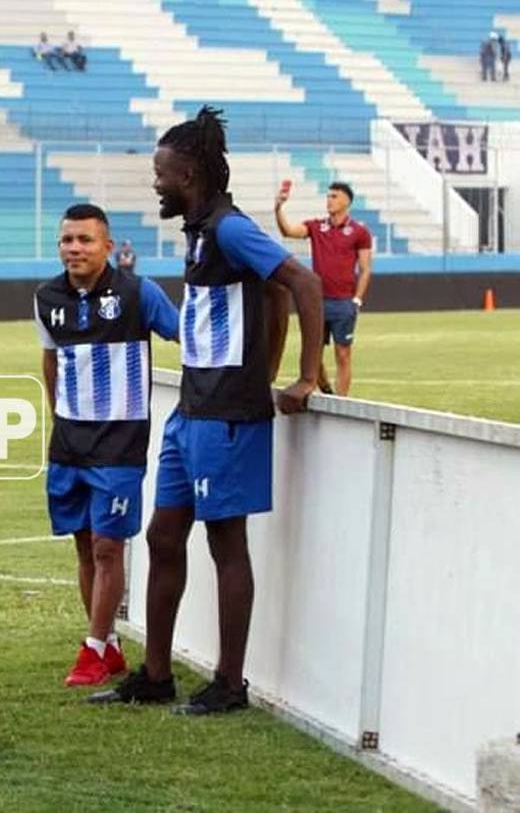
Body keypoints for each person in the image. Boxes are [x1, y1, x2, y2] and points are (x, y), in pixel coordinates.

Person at [90, 106, 323, 714]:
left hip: (226, 417)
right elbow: (268, 294)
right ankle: (158, 674)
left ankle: (230, 682)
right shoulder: (201, 232)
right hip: (191, 413)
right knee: (163, 535)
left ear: (189, 173)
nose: (156, 182)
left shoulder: (228, 229)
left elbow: (301, 282)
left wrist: (302, 376)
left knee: (226, 544)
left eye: (161, 173)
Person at [34, 204, 178, 688]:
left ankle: (93, 649)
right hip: (69, 442)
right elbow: (50, 360)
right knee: (83, 544)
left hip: (119, 443)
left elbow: (184, 335)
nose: (74, 248)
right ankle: (109, 644)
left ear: (108, 247)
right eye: (67, 240)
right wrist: (59, 414)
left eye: (85, 240)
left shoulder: (139, 294)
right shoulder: (46, 296)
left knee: (107, 547)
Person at [274, 180, 372, 396]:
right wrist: (278, 207)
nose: (329, 200)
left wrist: (357, 298)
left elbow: (365, 268)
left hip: (344, 301)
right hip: (318, 301)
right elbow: (288, 231)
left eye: (334, 196)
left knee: (343, 353)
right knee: (314, 355)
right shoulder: (316, 227)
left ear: (347, 201)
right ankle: (327, 390)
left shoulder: (359, 232)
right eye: (328, 196)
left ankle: (343, 401)